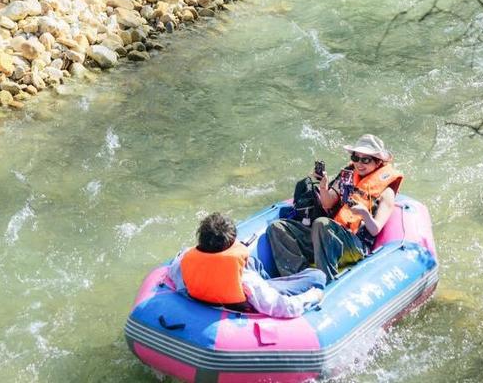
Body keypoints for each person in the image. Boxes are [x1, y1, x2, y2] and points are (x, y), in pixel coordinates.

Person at [266, 134, 403, 281]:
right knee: (277, 227)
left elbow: (375, 229)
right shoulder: (347, 176)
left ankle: (325, 281)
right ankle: (298, 277)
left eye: (366, 160)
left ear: (378, 162)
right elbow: (328, 203)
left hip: (353, 245)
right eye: (356, 158)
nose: (359, 164)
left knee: (322, 224)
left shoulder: (386, 192)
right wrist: (324, 187)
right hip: (327, 234)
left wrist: (364, 213)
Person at [169, 212, 325, 318]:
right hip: (248, 299)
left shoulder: (182, 261)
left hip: (205, 299)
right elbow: (285, 308)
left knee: (251, 262)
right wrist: (312, 296)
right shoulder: (247, 281)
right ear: (230, 245)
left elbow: (174, 277)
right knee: (317, 275)